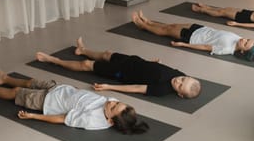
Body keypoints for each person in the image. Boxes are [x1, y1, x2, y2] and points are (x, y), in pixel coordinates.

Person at [0, 64, 148, 134]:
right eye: (117, 102)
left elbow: (62, 119)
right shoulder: (113, 106)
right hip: (60, 89)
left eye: (114, 106)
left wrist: (34, 116)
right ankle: (5, 78)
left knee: (16, 92)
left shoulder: (92, 120)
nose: (112, 102)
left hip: (47, 101)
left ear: (110, 120)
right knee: (31, 81)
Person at [35, 37, 202, 99]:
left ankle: (54, 60)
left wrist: (110, 87)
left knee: (87, 65)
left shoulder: (162, 89)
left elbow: (136, 88)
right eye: (183, 79)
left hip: (121, 72)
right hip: (134, 61)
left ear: (179, 94)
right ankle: (83, 50)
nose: (178, 80)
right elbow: (166, 70)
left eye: (180, 85)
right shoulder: (180, 75)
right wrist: (153, 64)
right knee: (107, 54)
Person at [131, 11, 254, 62]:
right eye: (248, 39)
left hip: (192, 38)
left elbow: (205, 47)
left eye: (245, 43)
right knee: (171, 25)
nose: (243, 39)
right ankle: (148, 21)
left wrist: (183, 45)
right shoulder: (238, 39)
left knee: (166, 30)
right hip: (200, 29)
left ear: (242, 51)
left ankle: (143, 25)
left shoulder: (226, 49)